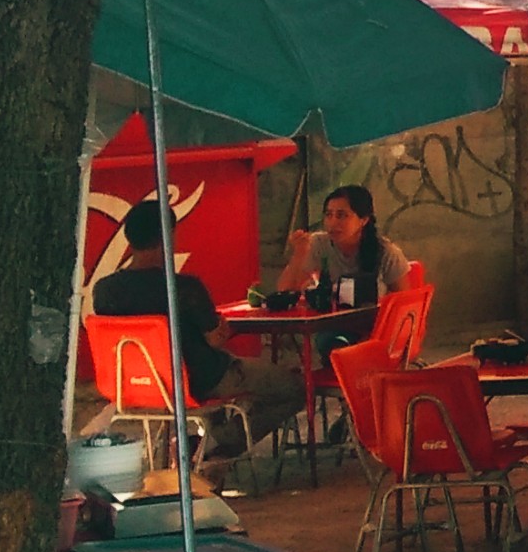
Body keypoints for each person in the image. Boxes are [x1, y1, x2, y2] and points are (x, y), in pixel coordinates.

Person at [94, 200, 306, 480]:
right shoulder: (184, 288)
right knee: (292, 386)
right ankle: (218, 445)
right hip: (200, 378)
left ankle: (208, 444)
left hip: (136, 385)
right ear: (166, 237)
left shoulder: (103, 291)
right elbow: (216, 339)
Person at [278, 184, 406, 340]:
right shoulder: (318, 244)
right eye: (328, 215)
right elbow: (284, 292)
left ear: (363, 220)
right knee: (328, 340)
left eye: (342, 215)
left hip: (375, 332)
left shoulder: (385, 252)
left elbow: (406, 306)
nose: (333, 222)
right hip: (334, 327)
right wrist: (299, 253)